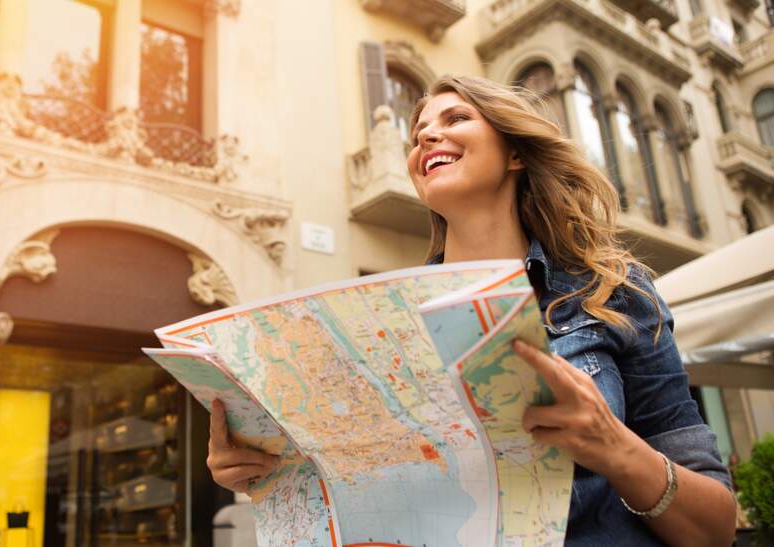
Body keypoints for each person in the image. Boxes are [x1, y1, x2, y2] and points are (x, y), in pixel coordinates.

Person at [206, 75, 736, 546]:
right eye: (418, 133)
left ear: (515, 153)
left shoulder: (615, 294)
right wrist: (270, 475)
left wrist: (616, 448)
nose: (426, 138)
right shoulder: (372, 324)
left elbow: (715, 528)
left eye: (456, 118)